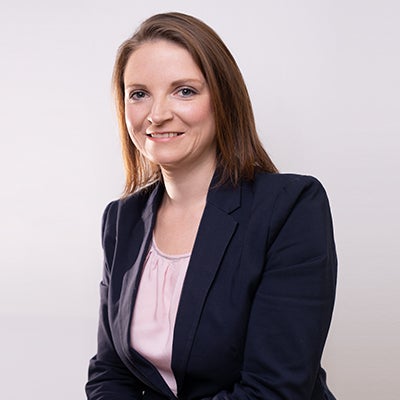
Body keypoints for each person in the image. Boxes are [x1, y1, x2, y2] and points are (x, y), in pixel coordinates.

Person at [86, 12, 337, 400]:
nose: (157, 114)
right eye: (139, 94)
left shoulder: (290, 208)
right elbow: (110, 372)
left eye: (184, 91)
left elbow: (273, 390)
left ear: (223, 99)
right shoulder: (121, 220)